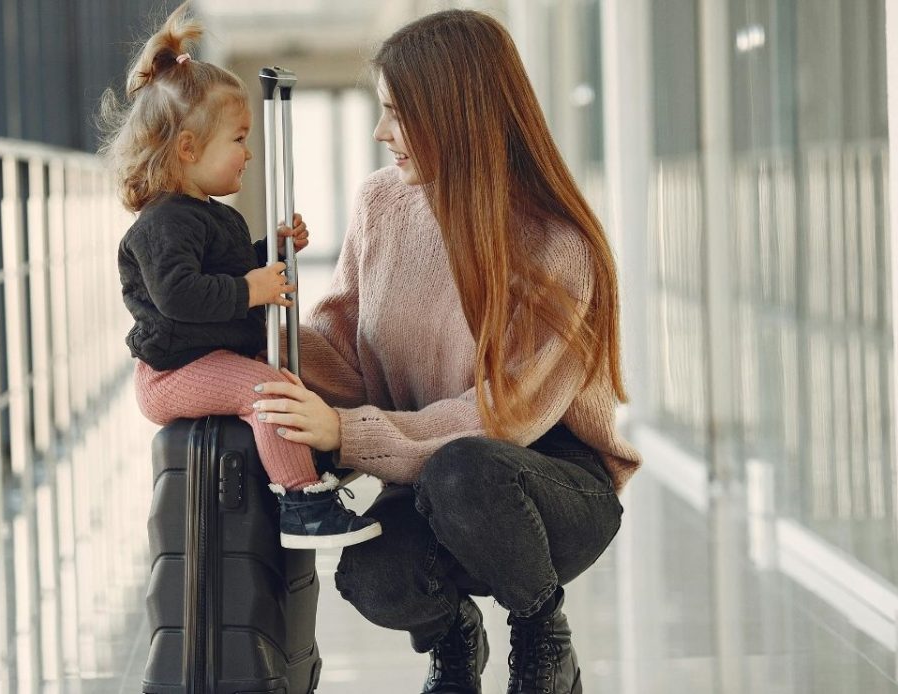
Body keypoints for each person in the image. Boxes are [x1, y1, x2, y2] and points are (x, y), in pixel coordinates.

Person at [251, 9, 641, 693]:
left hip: (546, 488)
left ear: (454, 112)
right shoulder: (380, 203)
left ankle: (543, 632)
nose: (381, 133)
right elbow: (344, 355)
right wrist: (257, 315)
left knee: (465, 472)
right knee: (370, 572)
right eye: (380, 111)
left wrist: (346, 434)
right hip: (427, 477)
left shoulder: (559, 247)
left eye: (397, 113)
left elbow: (502, 419)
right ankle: (454, 640)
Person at [100, 2, 381, 550]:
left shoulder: (211, 213)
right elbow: (181, 295)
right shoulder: (163, 222)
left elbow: (222, 269)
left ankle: (315, 455)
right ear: (187, 149)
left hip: (209, 356)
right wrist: (254, 287)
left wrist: (267, 251)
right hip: (172, 373)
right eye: (238, 139)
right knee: (267, 391)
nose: (248, 154)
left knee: (288, 378)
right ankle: (301, 500)